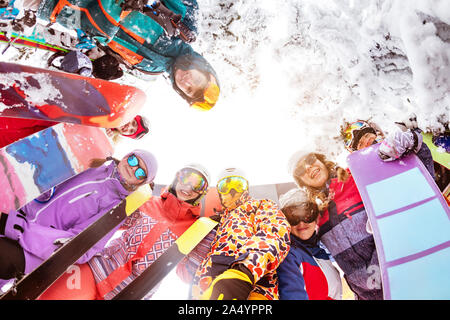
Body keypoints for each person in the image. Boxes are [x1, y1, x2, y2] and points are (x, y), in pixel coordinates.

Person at [37, 163, 210, 300]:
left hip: (131, 291)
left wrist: (210, 239)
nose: (189, 186)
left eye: (198, 184)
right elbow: (110, 221)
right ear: (176, 178)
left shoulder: (194, 229)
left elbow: (187, 274)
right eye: (186, 177)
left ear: (201, 193)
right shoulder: (148, 201)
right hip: (97, 269)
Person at [0, 149, 158, 285]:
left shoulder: (116, 209)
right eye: (133, 160)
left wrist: (20, 229)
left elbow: (81, 246)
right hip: (17, 213)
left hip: (33, 248)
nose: (132, 168)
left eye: (140, 172)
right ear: (126, 156)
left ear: (140, 183)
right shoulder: (95, 164)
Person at [28, 0, 221, 110]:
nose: (187, 81)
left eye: (188, 89)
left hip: (59, 8)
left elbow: (105, 44)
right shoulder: (186, 27)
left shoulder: (150, 71)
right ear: (203, 68)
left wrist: (104, 64)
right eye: (196, 79)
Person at [288, 150, 383, 300]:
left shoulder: (355, 177)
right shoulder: (315, 214)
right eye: (300, 170)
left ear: (320, 159)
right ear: (302, 182)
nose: (308, 167)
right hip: (366, 295)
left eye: (310, 159)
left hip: (395, 277)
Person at [190, 168, 291, 300]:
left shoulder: (260, 205)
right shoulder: (216, 222)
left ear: (247, 187)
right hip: (209, 289)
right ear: (219, 192)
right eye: (225, 186)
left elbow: (274, 232)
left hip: (254, 287)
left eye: (238, 184)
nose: (232, 190)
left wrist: (244, 271)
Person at [276, 188, 342, 300]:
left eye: (307, 215)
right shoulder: (289, 255)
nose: (301, 223)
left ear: (316, 216)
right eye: (293, 218)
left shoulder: (321, 250)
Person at [341, 117, 435, 178]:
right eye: (361, 144)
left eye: (367, 136)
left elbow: (426, 165)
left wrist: (412, 140)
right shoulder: (370, 172)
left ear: (377, 133)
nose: (367, 142)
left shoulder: (399, 142)